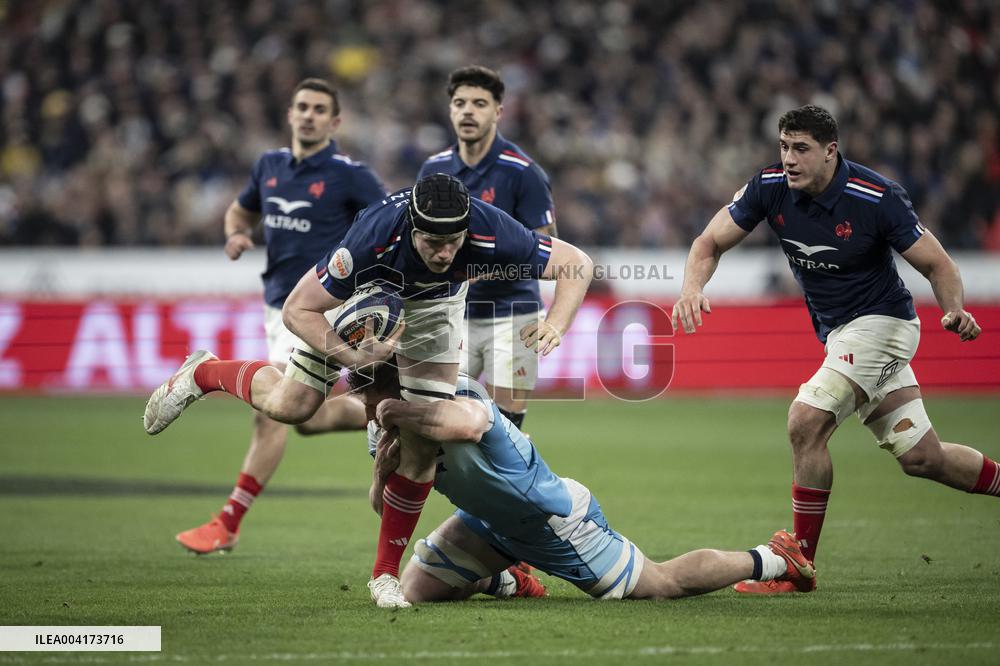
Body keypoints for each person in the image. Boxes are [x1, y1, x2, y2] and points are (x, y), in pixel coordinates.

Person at [143, 172, 595, 605]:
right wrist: (353, 358)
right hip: (362, 298)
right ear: (412, 228)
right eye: (432, 243)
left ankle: (384, 575)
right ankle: (203, 373)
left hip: (434, 311)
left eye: (453, 243)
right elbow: (298, 310)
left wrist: (556, 322)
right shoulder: (372, 239)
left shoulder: (490, 228)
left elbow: (577, 263)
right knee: (292, 405)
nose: (443, 253)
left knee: (424, 441)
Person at [671, 104, 996, 595]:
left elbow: (940, 265)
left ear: (830, 151)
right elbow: (707, 242)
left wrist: (953, 310)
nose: (789, 159)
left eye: (800, 148)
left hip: (884, 324)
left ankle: (798, 562)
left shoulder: (876, 196)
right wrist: (691, 289)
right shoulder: (768, 187)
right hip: (841, 335)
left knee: (805, 420)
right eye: (783, 147)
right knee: (923, 458)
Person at [353, 362, 814, 607]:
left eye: (370, 393)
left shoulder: (454, 392)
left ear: (399, 386)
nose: (365, 404)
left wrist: (401, 415)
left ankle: (774, 559)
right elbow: (386, 508)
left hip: (552, 519)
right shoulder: (381, 428)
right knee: (414, 591)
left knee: (662, 584)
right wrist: (379, 472)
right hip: (484, 522)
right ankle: (508, 581)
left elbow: (471, 426)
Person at [172, 78, 387, 555]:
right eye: (301, 107)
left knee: (271, 415)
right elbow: (239, 212)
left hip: (325, 306)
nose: (308, 115)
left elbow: (387, 225)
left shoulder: (350, 175)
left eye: (318, 109)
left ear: (334, 122)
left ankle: (228, 522)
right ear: (290, 114)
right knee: (305, 419)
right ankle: (385, 413)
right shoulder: (269, 167)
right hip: (279, 307)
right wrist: (235, 235)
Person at [418, 66, 557, 430]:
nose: (467, 111)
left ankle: (508, 485)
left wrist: (472, 272)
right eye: (460, 103)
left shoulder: (523, 172)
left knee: (505, 428)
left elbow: (545, 251)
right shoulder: (433, 170)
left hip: (513, 315)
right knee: (438, 419)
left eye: (479, 103)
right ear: (449, 110)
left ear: (498, 112)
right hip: (452, 315)